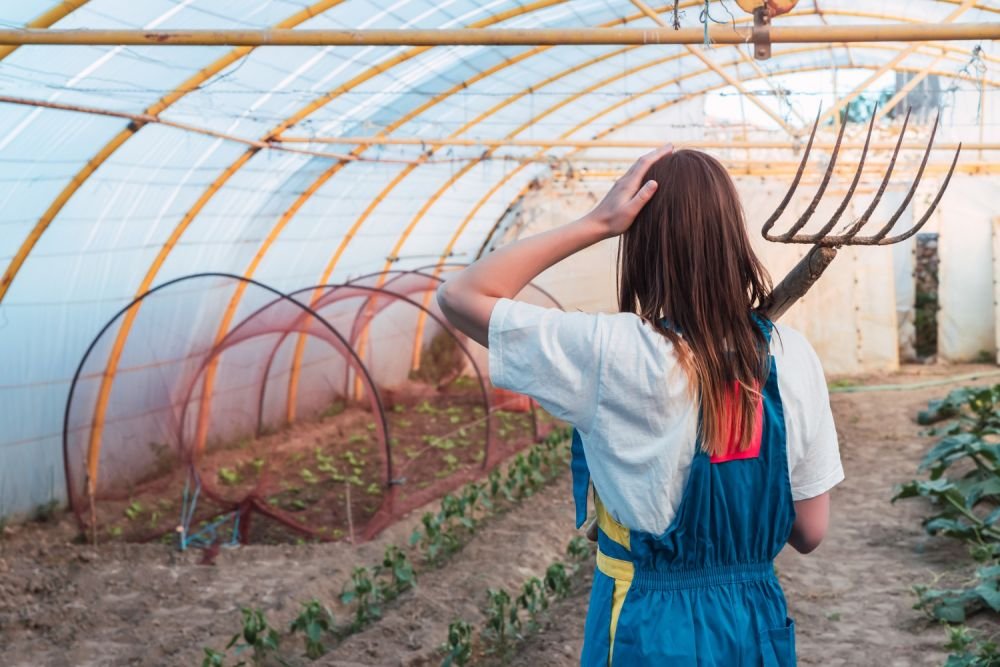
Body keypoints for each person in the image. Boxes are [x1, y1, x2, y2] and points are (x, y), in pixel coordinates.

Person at [436, 145, 843, 666]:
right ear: (732, 238)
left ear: (642, 245)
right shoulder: (793, 357)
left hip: (649, 630)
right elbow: (809, 532)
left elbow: (460, 296)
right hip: (753, 628)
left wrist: (598, 222)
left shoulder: (610, 352)